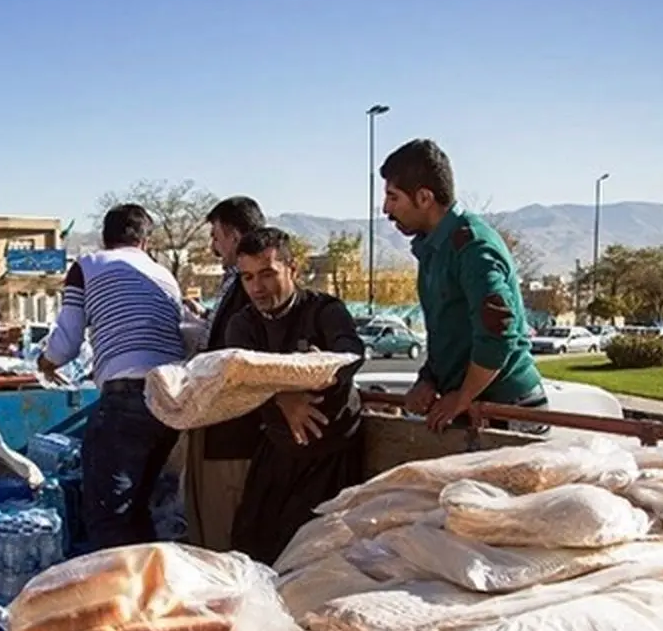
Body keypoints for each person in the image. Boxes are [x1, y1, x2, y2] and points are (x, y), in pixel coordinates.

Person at [38, 204, 185, 549]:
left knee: (109, 518)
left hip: (127, 398)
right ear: (145, 242)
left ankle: (123, 599)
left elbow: (66, 343)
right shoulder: (165, 276)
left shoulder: (87, 266)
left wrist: (45, 364)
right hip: (173, 400)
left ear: (105, 238)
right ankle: (151, 593)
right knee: (141, 511)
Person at [380, 138, 546, 432]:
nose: (386, 209)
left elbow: (498, 334)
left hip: (507, 408)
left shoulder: (473, 247)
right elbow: (448, 333)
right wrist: (428, 378)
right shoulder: (433, 248)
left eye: (393, 198)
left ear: (424, 198)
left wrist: (463, 396)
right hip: (472, 407)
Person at [225, 227, 365, 565]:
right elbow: (237, 377)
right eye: (247, 278)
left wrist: (315, 369)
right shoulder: (242, 325)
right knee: (254, 551)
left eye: (267, 274)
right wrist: (282, 396)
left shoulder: (325, 311)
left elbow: (350, 353)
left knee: (314, 559)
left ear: (293, 270)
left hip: (331, 458)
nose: (257, 288)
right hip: (277, 453)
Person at [182, 196, 266, 551]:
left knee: (226, 538)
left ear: (232, 234)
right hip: (218, 426)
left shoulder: (250, 289)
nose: (214, 247)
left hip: (236, 432)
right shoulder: (234, 284)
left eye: (216, 236)